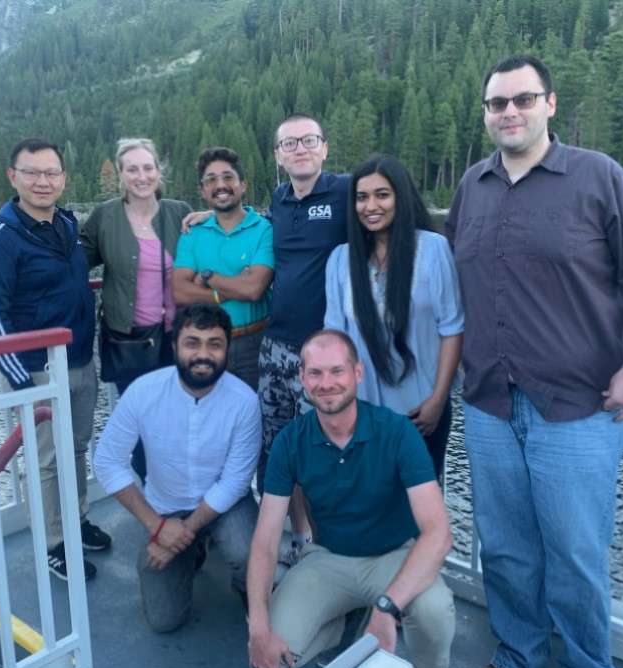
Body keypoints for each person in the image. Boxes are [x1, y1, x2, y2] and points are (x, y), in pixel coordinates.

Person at [445, 54, 623, 668]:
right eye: (497, 103)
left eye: (523, 99)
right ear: (487, 113)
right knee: (506, 548)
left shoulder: (598, 177)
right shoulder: (472, 186)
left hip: (577, 406)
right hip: (489, 401)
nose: (509, 112)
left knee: (574, 553)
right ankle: (517, 656)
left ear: (549, 103)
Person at [247, 330, 457, 668]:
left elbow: (438, 534)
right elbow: (266, 541)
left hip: (395, 555)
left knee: (434, 610)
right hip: (328, 558)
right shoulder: (290, 441)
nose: (326, 383)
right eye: (315, 373)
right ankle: (343, 626)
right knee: (273, 649)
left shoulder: (397, 432)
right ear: (302, 378)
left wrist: (386, 608)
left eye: (337, 371)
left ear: (358, 373)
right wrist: (257, 626)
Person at [0, 138, 112, 582]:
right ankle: (55, 544)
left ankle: (77, 520)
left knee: (75, 448)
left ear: (63, 179)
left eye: (51, 173)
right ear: (13, 177)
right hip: (35, 370)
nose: (42, 181)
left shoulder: (67, 227)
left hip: (78, 362)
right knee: (46, 460)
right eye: (32, 172)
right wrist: (22, 383)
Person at [93, 303, 260, 633]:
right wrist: (158, 527)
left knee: (247, 552)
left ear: (227, 349)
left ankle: (244, 587)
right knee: (164, 622)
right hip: (165, 509)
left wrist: (183, 531)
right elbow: (107, 462)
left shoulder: (244, 401)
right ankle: (193, 548)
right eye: (192, 342)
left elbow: (236, 480)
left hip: (224, 505)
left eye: (214, 344)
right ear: (174, 347)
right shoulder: (143, 392)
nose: (203, 354)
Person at [324, 154, 463, 482]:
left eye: (382, 194)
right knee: (371, 509)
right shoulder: (340, 260)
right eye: (361, 197)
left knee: (419, 515)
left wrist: (438, 401)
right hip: (362, 416)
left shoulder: (433, 249)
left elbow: (453, 328)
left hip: (421, 414)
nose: (371, 205)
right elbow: (335, 340)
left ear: (401, 196)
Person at [259, 113, 349, 557]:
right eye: (290, 144)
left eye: (309, 140)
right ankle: (301, 536)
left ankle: (332, 544)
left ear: (325, 147)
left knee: (326, 450)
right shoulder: (278, 200)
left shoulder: (347, 191)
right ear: (278, 156)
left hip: (325, 351)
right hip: (275, 346)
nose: (300, 149)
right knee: (281, 448)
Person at [81, 138, 193, 394]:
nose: (141, 176)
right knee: (140, 423)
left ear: (158, 171)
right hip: (128, 343)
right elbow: (74, 266)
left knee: (179, 420)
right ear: (121, 174)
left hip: (179, 339)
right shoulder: (104, 216)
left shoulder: (180, 212)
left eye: (147, 168)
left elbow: (209, 255)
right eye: (132, 169)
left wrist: (213, 217)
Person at [172, 147, 273, 391]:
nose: (221, 185)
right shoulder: (191, 233)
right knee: (208, 421)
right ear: (203, 190)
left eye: (228, 177)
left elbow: (254, 290)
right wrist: (229, 288)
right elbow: (179, 292)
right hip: (206, 345)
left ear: (243, 184)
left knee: (257, 421)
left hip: (255, 344)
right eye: (211, 179)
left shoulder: (264, 230)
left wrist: (207, 277)